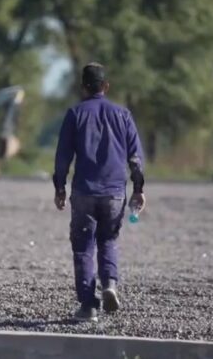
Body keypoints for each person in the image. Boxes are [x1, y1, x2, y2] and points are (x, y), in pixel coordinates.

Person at [53, 62, 146, 322]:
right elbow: (135, 158)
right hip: (115, 193)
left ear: (83, 88)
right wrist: (138, 188)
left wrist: (59, 186)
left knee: (83, 248)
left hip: (84, 192)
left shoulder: (75, 114)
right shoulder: (123, 115)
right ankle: (110, 285)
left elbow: (63, 157)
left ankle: (88, 307)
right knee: (108, 240)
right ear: (106, 86)